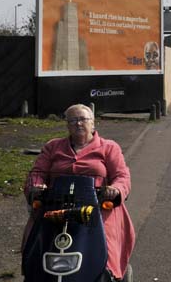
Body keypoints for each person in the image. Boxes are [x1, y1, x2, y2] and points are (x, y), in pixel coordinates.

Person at [24, 104, 135, 281]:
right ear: (67, 125)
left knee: (106, 247)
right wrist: (36, 187)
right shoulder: (53, 147)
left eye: (83, 119)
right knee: (37, 245)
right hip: (55, 205)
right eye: (73, 120)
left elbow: (122, 175)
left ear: (93, 123)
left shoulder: (109, 147)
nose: (78, 124)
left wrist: (116, 189)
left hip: (97, 207)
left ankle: (109, 273)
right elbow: (37, 173)